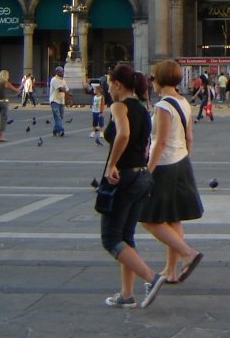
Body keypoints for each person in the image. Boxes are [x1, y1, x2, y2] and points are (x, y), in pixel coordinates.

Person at [99, 64, 164, 309]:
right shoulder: (142, 108)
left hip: (124, 177)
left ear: (117, 84)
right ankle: (127, 294)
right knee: (126, 236)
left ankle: (152, 278)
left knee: (110, 238)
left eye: (108, 83)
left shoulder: (119, 106)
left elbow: (123, 134)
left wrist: (112, 165)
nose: (107, 87)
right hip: (143, 177)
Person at [140, 60, 204, 286]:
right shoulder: (183, 101)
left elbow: (161, 142)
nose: (151, 83)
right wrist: (185, 157)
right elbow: (189, 136)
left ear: (159, 79)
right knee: (173, 217)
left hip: (164, 165)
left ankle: (188, 253)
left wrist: (148, 172)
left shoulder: (163, 106)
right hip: (181, 162)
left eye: (152, 78)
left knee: (148, 218)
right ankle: (171, 270)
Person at [49, 66, 68, 136]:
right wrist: (64, 89)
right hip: (54, 101)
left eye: (63, 71)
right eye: (61, 71)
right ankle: (61, 130)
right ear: (57, 72)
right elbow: (61, 89)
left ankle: (55, 130)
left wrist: (69, 99)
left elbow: (66, 89)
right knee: (57, 116)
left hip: (62, 101)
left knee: (61, 117)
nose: (62, 73)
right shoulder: (54, 79)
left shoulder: (63, 80)